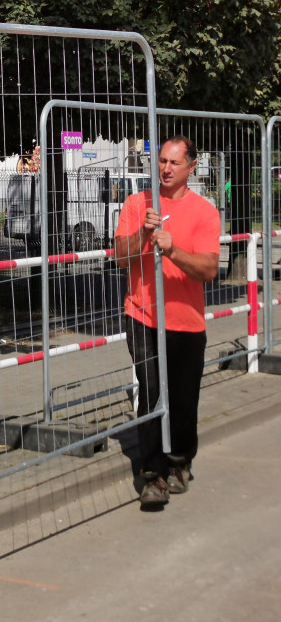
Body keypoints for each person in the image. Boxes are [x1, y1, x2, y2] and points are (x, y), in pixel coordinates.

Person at [114, 135, 220, 509]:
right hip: (143, 316)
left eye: (174, 162)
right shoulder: (136, 204)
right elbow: (120, 257)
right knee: (152, 393)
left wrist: (173, 250)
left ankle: (179, 463)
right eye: (161, 161)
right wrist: (143, 233)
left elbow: (208, 269)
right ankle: (153, 475)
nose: (165, 168)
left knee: (184, 399)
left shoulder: (205, 212)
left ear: (192, 166)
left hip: (187, 322)